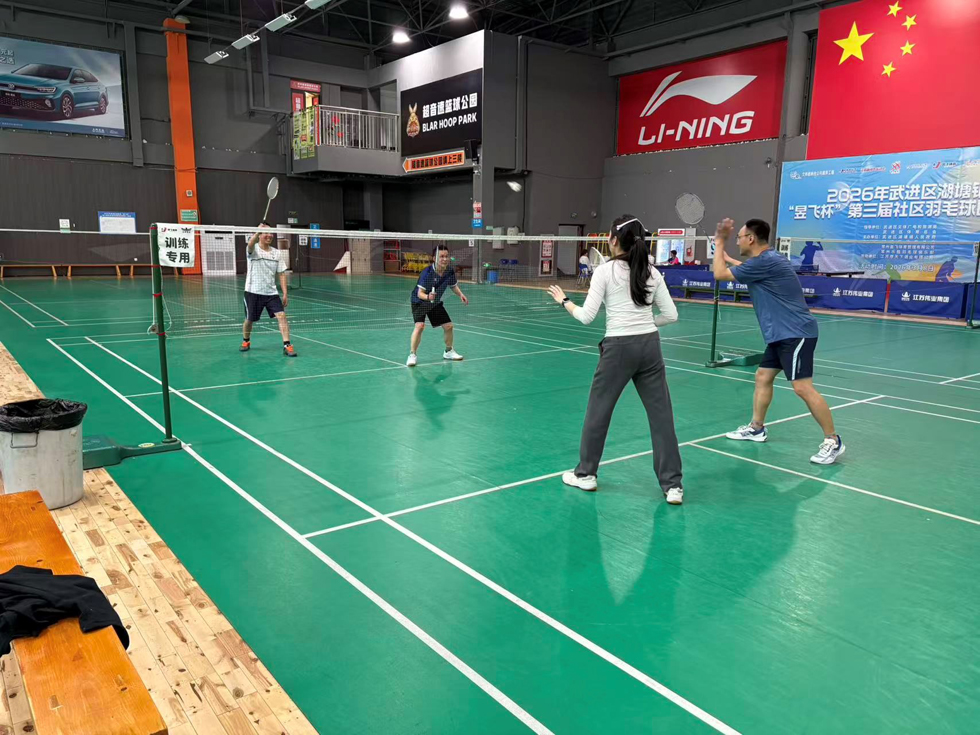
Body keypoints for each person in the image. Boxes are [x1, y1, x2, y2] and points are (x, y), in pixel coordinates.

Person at [548, 215, 684, 505]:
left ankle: (586, 474)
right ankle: (673, 486)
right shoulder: (652, 272)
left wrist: (564, 301)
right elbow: (671, 315)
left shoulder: (605, 271)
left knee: (598, 412)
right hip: (650, 346)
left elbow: (586, 317)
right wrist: (645, 325)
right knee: (661, 416)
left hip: (618, 349)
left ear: (612, 240)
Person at [713, 218, 844, 464]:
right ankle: (757, 428)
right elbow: (747, 269)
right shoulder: (769, 259)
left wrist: (720, 242)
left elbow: (719, 274)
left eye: (739, 237)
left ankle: (833, 440)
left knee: (802, 387)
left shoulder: (764, 262)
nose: (737, 241)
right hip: (780, 333)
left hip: (796, 332)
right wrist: (730, 259)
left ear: (751, 239)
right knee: (763, 376)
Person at [407, 244, 468, 367]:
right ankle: (412, 355)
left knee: (449, 326)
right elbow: (420, 293)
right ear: (434, 258)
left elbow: (453, 285)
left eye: (446, 256)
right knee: (420, 326)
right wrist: (428, 297)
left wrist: (460, 294)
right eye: (441, 256)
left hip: (434, 302)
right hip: (420, 301)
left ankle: (448, 351)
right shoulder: (427, 273)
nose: (445, 259)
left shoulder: (449, 271)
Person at [241, 222, 296, 357]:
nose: (269, 235)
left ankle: (287, 345)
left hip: (271, 293)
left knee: (282, 316)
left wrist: (285, 293)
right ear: (259, 235)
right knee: (249, 320)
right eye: (265, 232)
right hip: (253, 292)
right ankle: (246, 340)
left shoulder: (277, 253)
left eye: (271, 232)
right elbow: (250, 243)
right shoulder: (253, 250)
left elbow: (281, 274)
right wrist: (257, 231)